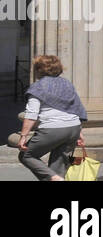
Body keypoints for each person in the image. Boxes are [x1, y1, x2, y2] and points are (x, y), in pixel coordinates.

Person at [16, 54, 87, 182]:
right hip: (73, 128)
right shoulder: (67, 84)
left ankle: (53, 177)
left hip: (53, 129)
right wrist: (79, 132)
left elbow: (32, 114)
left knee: (26, 155)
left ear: (39, 69)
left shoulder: (37, 87)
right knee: (58, 165)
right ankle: (56, 177)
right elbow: (75, 107)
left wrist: (23, 136)